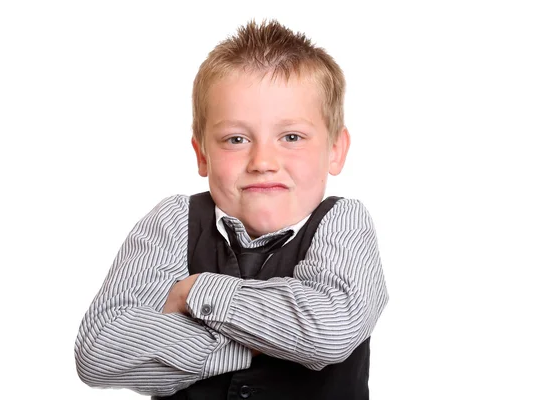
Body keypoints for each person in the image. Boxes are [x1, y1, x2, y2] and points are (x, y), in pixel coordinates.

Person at [75, 19, 388, 400]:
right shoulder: (173, 222)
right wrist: (272, 337)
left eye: (291, 137)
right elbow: (100, 352)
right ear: (202, 154)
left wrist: (195, 292)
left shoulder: (344, 222)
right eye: (236, 139)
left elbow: (330, 331)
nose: (262, 161)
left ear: (335, 151)